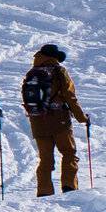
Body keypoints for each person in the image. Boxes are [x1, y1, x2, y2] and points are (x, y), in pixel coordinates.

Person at [22, 42, 90, 197]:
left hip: (38, 121)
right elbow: (69, 96)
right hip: (59, 120)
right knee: (69, 153)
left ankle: (44, 192)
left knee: (45, 159)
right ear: (54, 57)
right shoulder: (59, 71)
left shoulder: (31, 73)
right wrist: (82, 118)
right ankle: (69, 188)